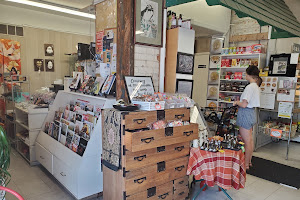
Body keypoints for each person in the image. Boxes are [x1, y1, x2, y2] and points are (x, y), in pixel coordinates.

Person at [233, 65, 262, 170]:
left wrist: (236, 102)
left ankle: (245, 165)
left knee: (246, 141)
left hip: (245, 113)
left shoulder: (249, 87)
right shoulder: (257, 87)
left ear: (249, 74)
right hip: (252, 113)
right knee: (250, 140)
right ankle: (248, 162)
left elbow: (244, 104)